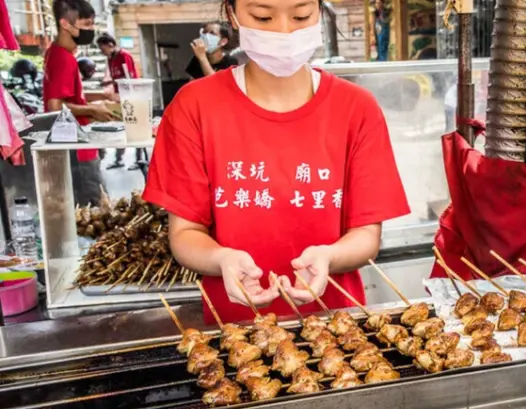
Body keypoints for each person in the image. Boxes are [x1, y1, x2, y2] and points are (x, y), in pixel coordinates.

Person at [143, 0, 409, 324]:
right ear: (232, 14)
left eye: (301, 16)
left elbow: (367, 234)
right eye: (263, 16)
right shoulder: (193, 107)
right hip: (236, 331)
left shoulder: (357, 109)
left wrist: (331, 256)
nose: (284, 31)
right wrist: (221, 259)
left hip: (338, 327)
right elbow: (185, 233)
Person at [44, 0, 113, 205]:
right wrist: (93, 110)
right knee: (94, 212)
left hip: (75, 147)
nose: (91, 31)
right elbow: (54, 107)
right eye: (86, 25)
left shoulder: (56, 53)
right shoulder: (64, 59)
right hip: (77, 151)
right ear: (65, 24)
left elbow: (71, 96)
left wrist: (104, 97)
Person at [96, 33, 145, 170]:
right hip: (120, 98)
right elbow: (117, 77)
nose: (102, 51)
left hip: (132, 97)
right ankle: (119, 159)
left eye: (102, 48)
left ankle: (139, 159)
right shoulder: (111, 59)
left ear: (110, 45)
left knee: (136, 128)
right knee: (119, 127)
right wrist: (108, 82)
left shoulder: (124, 56)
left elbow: (130, 77)